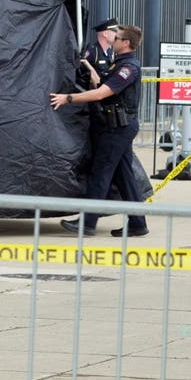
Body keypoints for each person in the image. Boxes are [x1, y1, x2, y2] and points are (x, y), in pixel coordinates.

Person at [49, 24, 149, 238]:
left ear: (126, 43)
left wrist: (68, 98)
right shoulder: (118, 64)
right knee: (124, 177)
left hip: (117, 128)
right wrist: (89, 68)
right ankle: (138, 223)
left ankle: (87, 222)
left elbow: (100, 94)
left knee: (101, 173)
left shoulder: (128, 68)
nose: (113, 38)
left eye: (118, 37)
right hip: (116, 126)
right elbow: (102, 84)